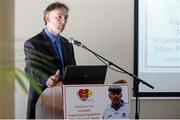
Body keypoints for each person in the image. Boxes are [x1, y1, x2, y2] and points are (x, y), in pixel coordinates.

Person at [24, 2, 76, 119]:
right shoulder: (33, 43)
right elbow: (30, 69)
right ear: (47, 18)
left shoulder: (67, 44)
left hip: (66, 105)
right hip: (43, 103)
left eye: (66, 17)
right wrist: (47, 79)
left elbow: (72, 70)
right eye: (59, 17)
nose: (64, 21)